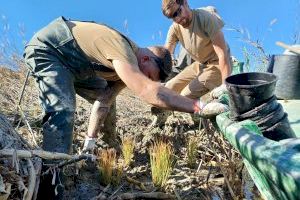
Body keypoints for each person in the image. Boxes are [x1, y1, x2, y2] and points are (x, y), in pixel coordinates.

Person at [150, 1, 232, 127]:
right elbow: (167, 53)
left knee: (185, 96)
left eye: (178, 12)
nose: (177, 19)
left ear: (185, 3)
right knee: (166, 89)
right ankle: (162, 116)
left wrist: (225, 84)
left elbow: (223, 54)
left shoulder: (205, 17)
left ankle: (199, 121)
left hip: (217, 65)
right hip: (200, 65)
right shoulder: (175, 28)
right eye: (173, 16)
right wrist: (156, 70)